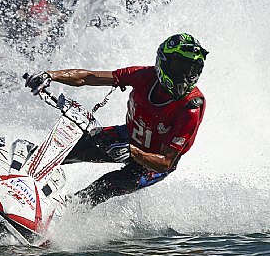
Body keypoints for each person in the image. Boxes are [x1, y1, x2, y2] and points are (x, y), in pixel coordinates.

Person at [25, 33, 208, 206]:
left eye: (192, 70)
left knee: (102, 188)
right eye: (180, 67)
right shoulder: (143, 76)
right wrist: (50, 75)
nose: (185, 76)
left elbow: (166, 162)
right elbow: (89, 77)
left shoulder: (191, 107)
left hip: (153, 164)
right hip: (127, 137)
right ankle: (18, 177)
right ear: (163, 62)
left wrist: (133, 152)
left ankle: (58, 219)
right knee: (60, 151)